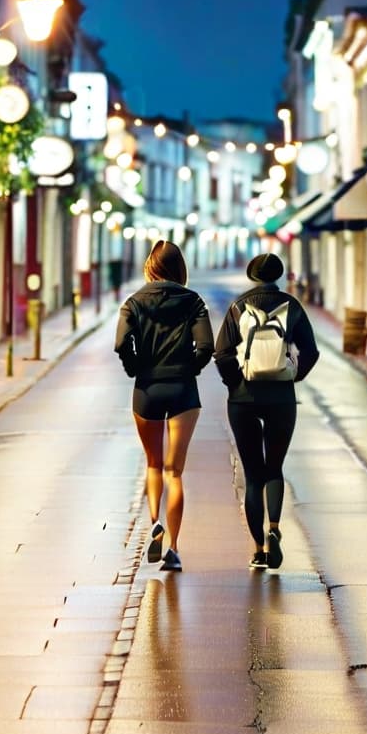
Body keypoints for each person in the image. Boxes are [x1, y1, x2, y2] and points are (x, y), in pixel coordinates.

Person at [213, 252, 319, 570]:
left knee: (252, 475)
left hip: (243, 399)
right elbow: (311, 351)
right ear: (278, 274)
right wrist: (292, 377)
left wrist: (235, 385)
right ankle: (274, 529)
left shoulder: (237, 307)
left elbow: (221, 353)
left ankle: (259, 549)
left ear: (252, 275)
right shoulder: (292, 307)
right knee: (274, 468)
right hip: (280, 398)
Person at [114, 239, 214, 572]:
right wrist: (190, 369)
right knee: (176, 471)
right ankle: (173, 548)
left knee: (153, 464)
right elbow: (206, 346)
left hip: (147, 390)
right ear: (179, 269)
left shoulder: (134, 302)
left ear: (151, 267)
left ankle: (155, 521)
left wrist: (136, 369)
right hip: (184, 391)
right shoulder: (193, 301)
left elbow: (121, 343)